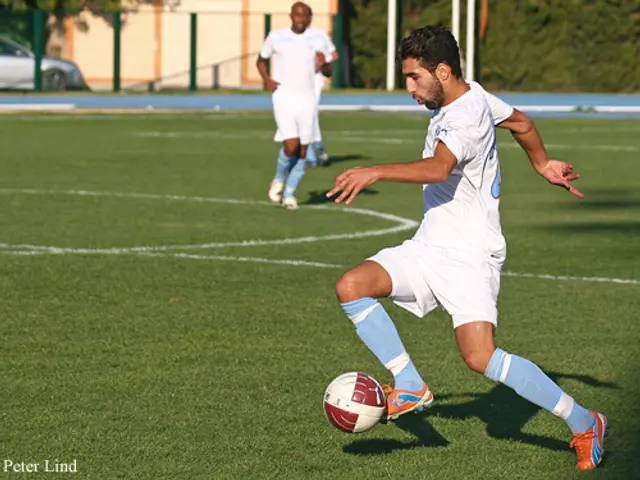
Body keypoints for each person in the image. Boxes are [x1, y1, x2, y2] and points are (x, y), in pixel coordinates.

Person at [326, 25, 607, 471]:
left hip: (470, 255)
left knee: (480, 358)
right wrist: (541, 163)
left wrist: (375, 171)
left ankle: (585, 421)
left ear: (442, 70)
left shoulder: (464, 115)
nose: (410, 89)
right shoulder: (471, 95)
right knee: (352, 285)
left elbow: (439, 169)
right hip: (429, 246)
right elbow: (521, 122)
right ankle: (410, 382)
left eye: (415, 78)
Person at [257, 2, 332, 210]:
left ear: (309, 18)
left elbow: (328, 72)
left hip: (307, 98)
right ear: (291, 16)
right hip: (283, 97)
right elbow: (261, 60)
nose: (300, 19)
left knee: (303, 150)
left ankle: (289, 194)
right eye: (297, 15)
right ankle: (279, 178)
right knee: (291, 146)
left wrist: (323, 64)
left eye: (305, 16)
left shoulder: (317, 39)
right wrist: (266, 80)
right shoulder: (276, 37)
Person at [273, 9, 338, 168]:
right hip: (295, 82)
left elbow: (333, 54)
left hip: (313, 80)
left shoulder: (319, 35)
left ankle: (313, 153)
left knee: (309, 113)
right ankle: (316, 151)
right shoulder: (287, 37)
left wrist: (322, 63)